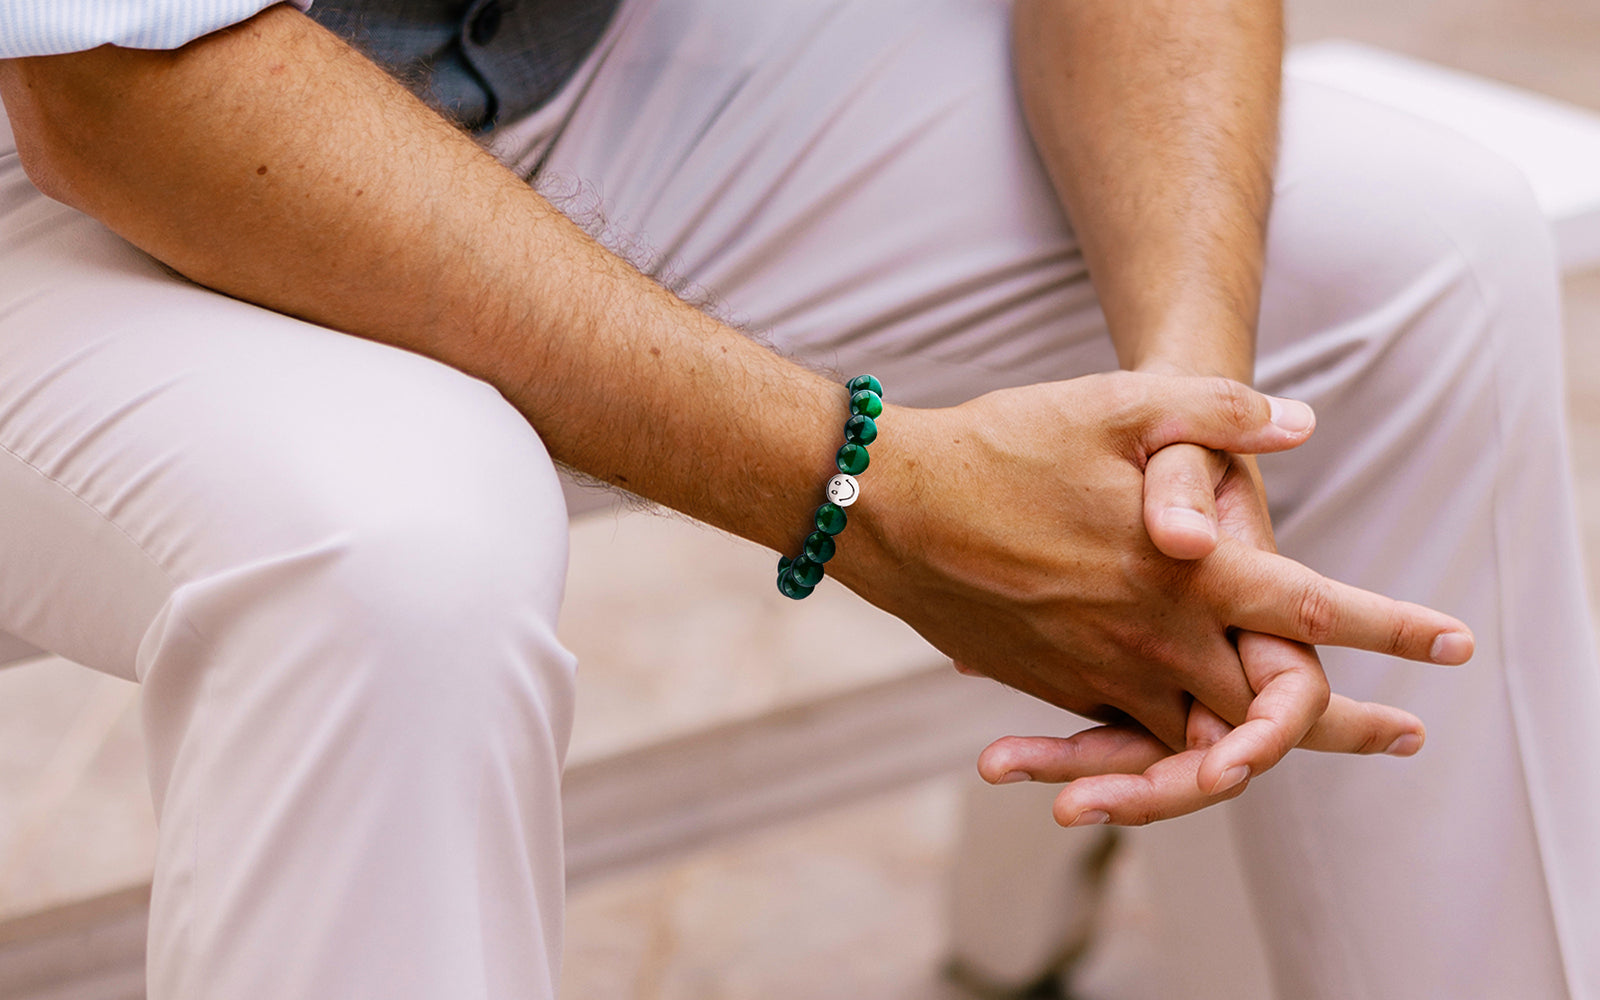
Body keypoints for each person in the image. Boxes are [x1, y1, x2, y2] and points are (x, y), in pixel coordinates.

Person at [0, 1, 1594, 997]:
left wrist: (1182, 427)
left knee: (1410, 246)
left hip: (592, 59)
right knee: (399, 542)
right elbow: (121, 88)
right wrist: (869, 491)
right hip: (86, 150)